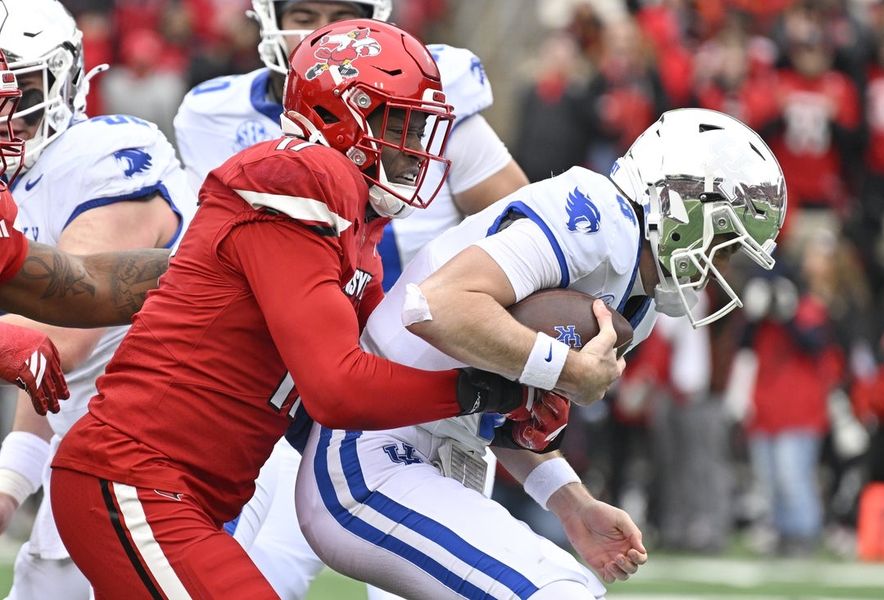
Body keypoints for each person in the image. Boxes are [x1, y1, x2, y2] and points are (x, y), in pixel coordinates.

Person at [49, 20, 620, 599]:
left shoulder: (356, 238)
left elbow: (395, 374)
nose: (416, 144)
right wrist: (487, 391)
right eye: (400, 120)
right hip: (133, 477)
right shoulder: (297, 177)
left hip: (177, 489)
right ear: (337, 114)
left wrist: (541, 456)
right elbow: (339, 389)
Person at [295, 107, 788, 599]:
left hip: (443, 455)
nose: (718, 266)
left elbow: (504, 407)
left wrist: (569, 501)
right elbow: (437, 306)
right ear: (681, 208)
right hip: (375, 448)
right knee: (559, 591)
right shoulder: (598, 221)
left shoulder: (638, 296)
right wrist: (569, 368)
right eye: (722, 245)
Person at [173, 2, 529, 597]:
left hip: (407, 387)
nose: (323, 29)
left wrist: (518, 367)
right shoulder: (217, 115)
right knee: (249, 575)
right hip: (278, 399)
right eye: (304, 10)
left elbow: (525, 238)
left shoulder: (431, 86)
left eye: (342, 11)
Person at [0, 2, 197, 598]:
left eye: (19, 88)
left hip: (186, 444)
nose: (5, 110)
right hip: (106, 438)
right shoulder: (21, 183)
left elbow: (62, 338)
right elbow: (47, 376)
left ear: (61, 80)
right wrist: (12, 480)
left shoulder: (96, 156)